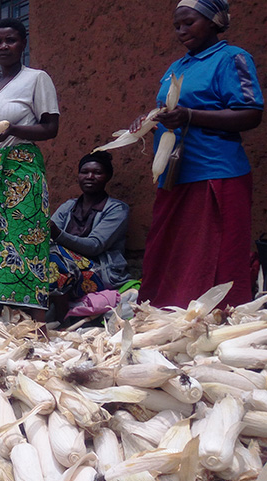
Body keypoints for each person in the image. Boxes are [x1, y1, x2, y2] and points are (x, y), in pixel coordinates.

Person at [137, 0, 262, 309]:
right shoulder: (177, 67)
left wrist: (190, 115)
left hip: (216, 172)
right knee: (170, 252)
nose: (181, 31)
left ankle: (217, 319)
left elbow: (250, 114)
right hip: (176, 174)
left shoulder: (231, 59)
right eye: (177, 26)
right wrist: (150, 122)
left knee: (218, 254)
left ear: (214, 21)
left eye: (189, 23)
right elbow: (172, 112)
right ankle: (165, 318)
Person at [0, 18, 60, 319]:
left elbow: (51, 128)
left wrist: (12, 130)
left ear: (23, 44)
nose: (3, 46)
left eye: (11, 40)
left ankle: (28, 318)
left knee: (20, 236)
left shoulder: (36, 79)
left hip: (20, 171)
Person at [49, 151, 131, 319]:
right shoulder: (69, 206)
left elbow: (94, 246)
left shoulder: (117, 210)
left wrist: (57, 233)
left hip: (99, 271)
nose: (90, 176)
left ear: (108, 177)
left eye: (97, 173)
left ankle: (62, 319)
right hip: (66, 265)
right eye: (84, 172)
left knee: (56, 259)